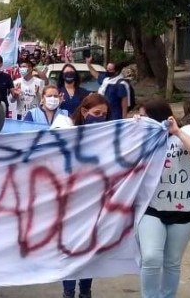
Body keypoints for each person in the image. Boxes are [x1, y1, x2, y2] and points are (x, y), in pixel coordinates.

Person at [136, 96, 190, 298]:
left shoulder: (188, 131)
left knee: (172, 261)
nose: (143, 122)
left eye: (146, 118)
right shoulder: (141, 138)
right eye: (140, 118)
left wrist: (176, 132)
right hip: (150, 209)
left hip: (184, 211)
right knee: (151, 257)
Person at [59, 93, 111, 298]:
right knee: (70, 250)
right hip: (70, 203)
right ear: (84, 111)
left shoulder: (110, 137)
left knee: (90, 252)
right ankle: (68, 292)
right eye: (96, 113)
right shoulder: (67, 131)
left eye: (104, 115)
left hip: (95, 203)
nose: (101, 118)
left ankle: (85, 292)